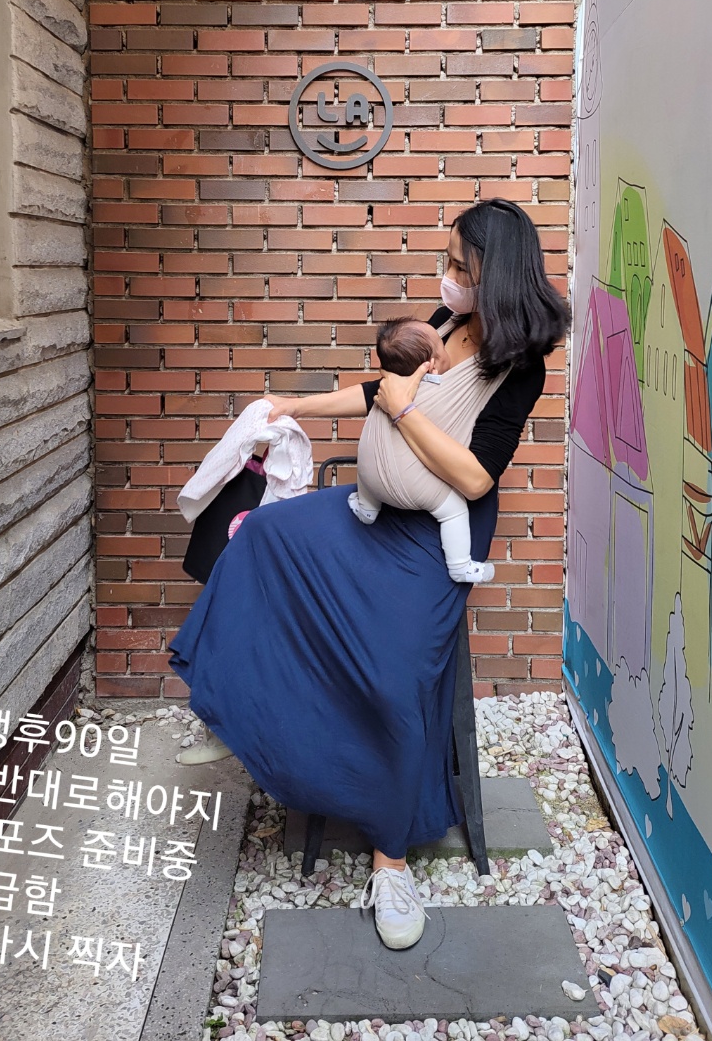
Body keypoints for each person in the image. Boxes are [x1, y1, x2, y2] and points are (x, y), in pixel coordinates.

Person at [169, 198, 569, 950]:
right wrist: (292, 403)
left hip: (437, 533)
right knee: (262, 539)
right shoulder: (444, 324)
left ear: (494, 276)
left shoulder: (521, 365)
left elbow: (476, 477)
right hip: (376, 506)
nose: (446, 277)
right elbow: (374, 390)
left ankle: (392, 862)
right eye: (448, 262)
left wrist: (406, 413)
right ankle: (236, 708)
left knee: (396, 674)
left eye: (458, 266)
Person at [348, 316, 497, 586]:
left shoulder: (389, 385)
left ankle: (367, 509)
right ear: (432, 366)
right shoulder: (442, 390)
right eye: (441, 346)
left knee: (369, 447)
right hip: (413, 486)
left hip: (367, 475)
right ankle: (461, 566)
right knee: (454, 510)